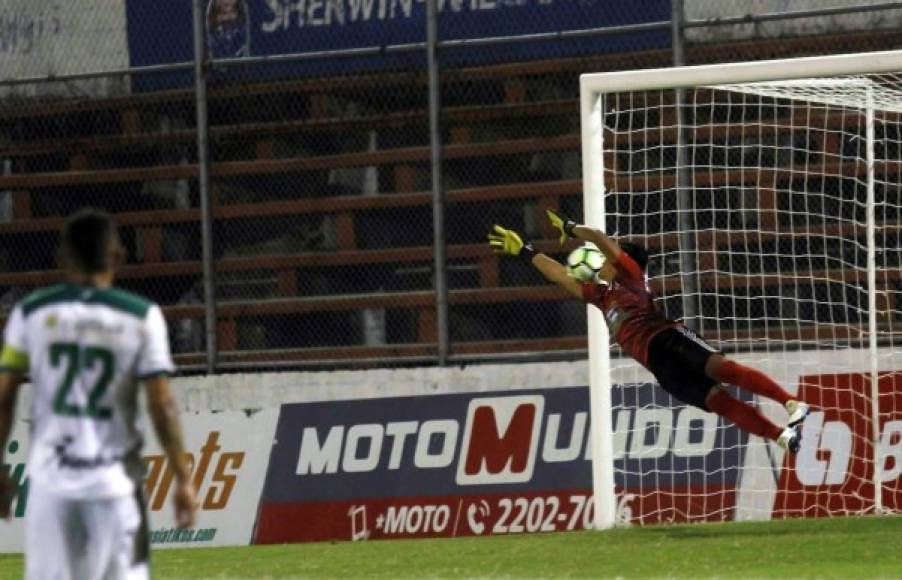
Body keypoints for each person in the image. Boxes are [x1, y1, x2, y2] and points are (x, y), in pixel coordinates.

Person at [488, 209, 811, 452]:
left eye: (606, 257)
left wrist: (572, 229)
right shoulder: (602, 297)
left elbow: (599, 238)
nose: (600, 259)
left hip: (669, 338)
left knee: (723, 369)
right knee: (720, 403)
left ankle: (791, 404)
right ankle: (782, 437)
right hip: (660, 366)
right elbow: (560, 275)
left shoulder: (630, 275)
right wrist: (524, 251)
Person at [0, 209, 197, 579]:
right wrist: (183, 479)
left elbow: (4, 397)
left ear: (61, 258)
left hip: (52, 487)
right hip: (114, 487)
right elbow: (163, 404)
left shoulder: (29, 313)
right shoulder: (142, 315)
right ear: (118, 257)